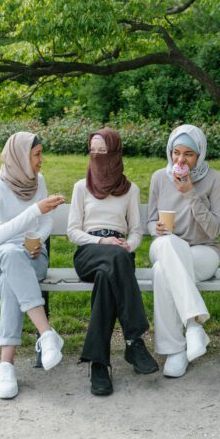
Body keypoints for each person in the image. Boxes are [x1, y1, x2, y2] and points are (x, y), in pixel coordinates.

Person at [68, 128, 159, 396]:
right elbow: (73, 232)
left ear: (115, 154)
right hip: (89, 252)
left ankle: (98, 364)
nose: (96, 156)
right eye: (92, 151)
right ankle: (134, 340)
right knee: (116, 260)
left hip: (118, 256)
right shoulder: (80, 187)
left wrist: (130, 244)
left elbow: (137, 231)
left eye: (102, 151)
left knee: (108, 278)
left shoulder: (130, 190)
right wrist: (102, 243)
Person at [0, 131, 66, 399]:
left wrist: (37, 239)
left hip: (32, 258)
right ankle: (47, 332)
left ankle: (6, 364)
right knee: (9, 255)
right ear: (20, 156)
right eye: (37, 154)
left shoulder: (38, 180)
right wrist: (35, 210)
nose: (42, 160)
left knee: (12, 277)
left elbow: (46, 222)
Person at [147, 124, 220, 378]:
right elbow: (149, 221)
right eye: (176, 152)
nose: (180, 160)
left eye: (188, 154)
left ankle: (175, 351)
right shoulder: (160, 177)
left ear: (200, 155)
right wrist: (156, 228)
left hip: (203, 252)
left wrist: (191, 193)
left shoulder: (215, 180)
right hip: (165, 244)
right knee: (167, 245)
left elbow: (214, 229)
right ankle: (194, 327)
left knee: (162, 271)